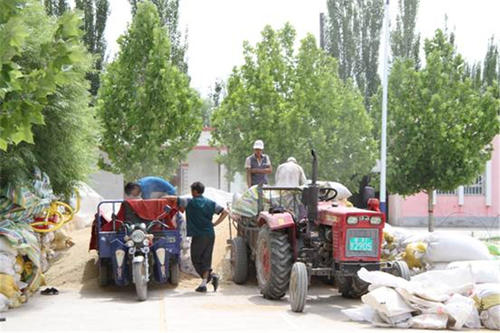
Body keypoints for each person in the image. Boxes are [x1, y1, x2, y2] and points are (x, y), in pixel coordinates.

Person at [165, 181, 228, 292]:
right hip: (210, 234)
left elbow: (172, 199)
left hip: (198, 235)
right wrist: (215, 223)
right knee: (206, 259)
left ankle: (210, 278)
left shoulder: (189, 202)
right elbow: (225, 212)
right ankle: (206, 281)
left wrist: (163, 196)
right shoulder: (211, 203)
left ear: (194, 191)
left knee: (196, 259)